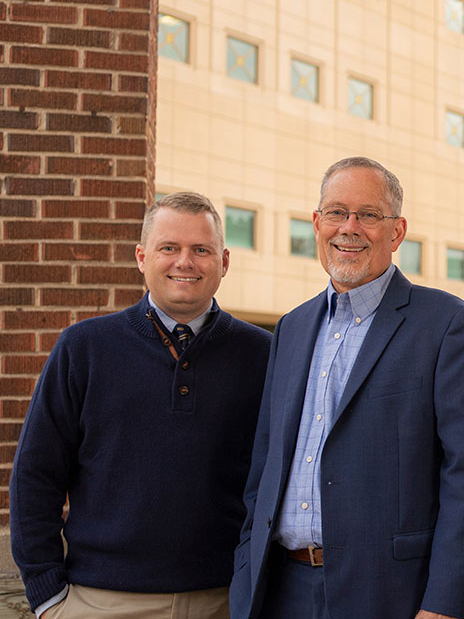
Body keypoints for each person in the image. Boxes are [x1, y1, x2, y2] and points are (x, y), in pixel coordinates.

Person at [229, 157, 464, 619]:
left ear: (396, 232)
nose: (349, 228)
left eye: (368, 215)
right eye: (336, 213)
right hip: (282, 590)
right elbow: (264, 467)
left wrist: (445, 604)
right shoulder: (291, 329)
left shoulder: (449, 326)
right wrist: (247, 574)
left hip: (396, 595)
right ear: (317, 224)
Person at [9, 192, 272, 619]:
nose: (184, 262)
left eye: (200, 250)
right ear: (141, 257)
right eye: (169, 247)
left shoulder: (264, 355)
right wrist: (46, 596)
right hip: (100, 602)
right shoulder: (84, 348)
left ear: (223, 262)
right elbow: (36, 476)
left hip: (225, 601)